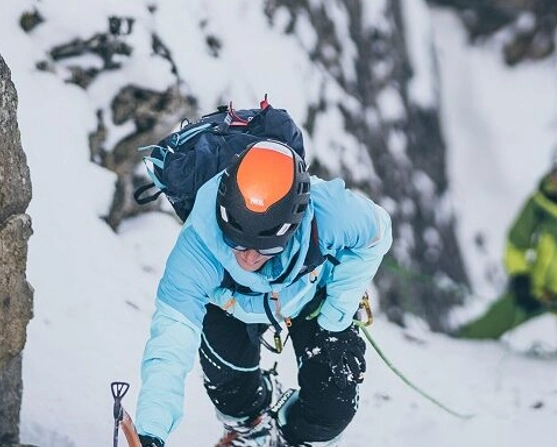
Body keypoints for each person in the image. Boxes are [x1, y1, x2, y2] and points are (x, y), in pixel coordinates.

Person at [133, 139, 393, 447]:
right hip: (229, 304)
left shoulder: (332, 213)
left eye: (264, 247)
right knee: (229, 388)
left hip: (310, 295)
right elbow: (170, 341)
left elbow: (377, 235)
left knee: (332, 405)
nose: (248, 259)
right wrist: (151, 429)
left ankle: (295, 439)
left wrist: (335, 318)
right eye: (237, 243)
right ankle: (250, 428)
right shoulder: (197, 246)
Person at [453, 134, 557, 356]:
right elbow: (516, 242)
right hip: (536, 291)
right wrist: (521, 276)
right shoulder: (540, 204)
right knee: (475, 335)